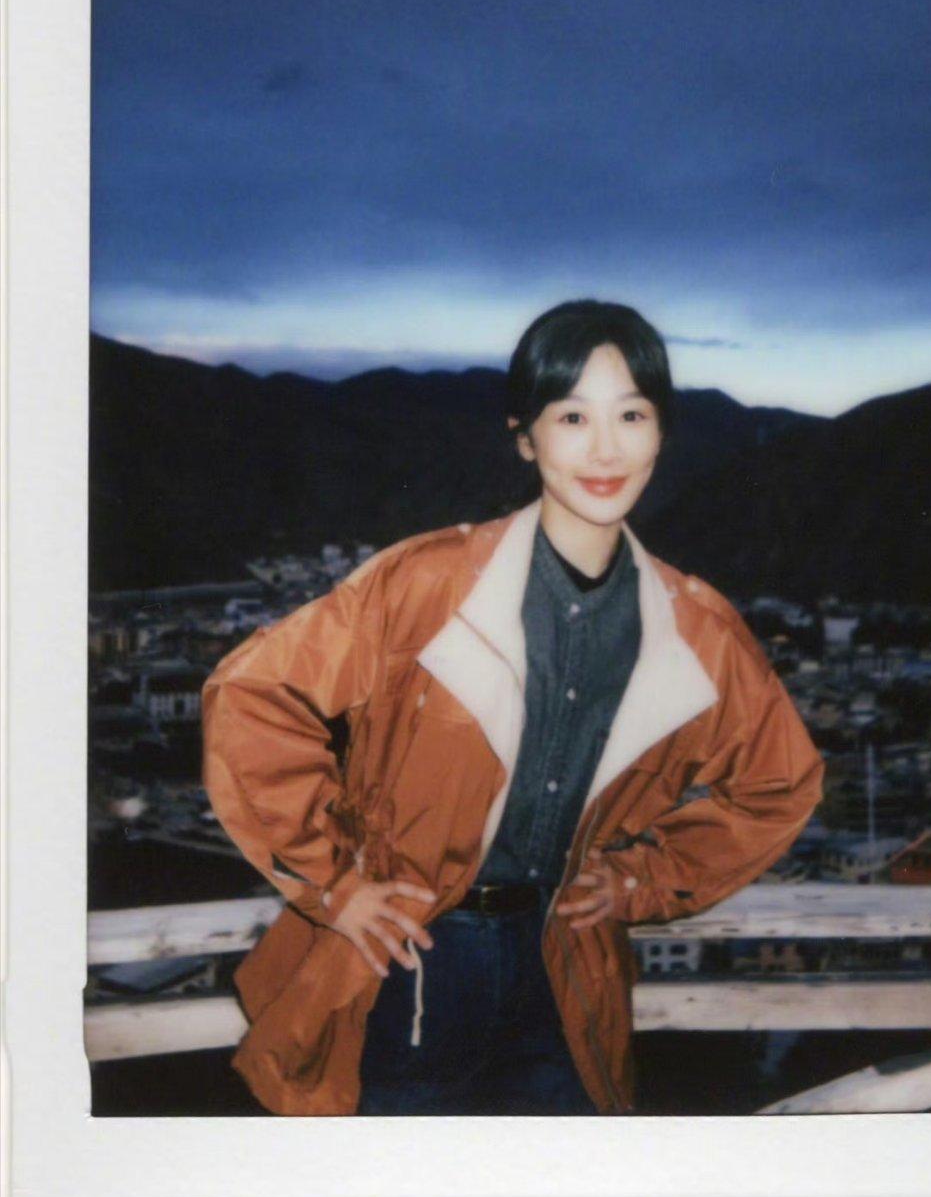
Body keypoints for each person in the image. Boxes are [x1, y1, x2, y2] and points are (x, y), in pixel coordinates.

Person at [201, 299, 824, 1116]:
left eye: (632, 414)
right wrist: (338, 884)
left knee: (557, 1182)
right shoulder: (428, 583)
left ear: (661, 433)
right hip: (419, 956)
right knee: (407, 1182)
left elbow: (779, 783)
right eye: (573, 417)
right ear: (527, 437)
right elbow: (253, 693)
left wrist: (640, 878)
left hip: (570, 962)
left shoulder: (697, 628)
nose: (605, 448)